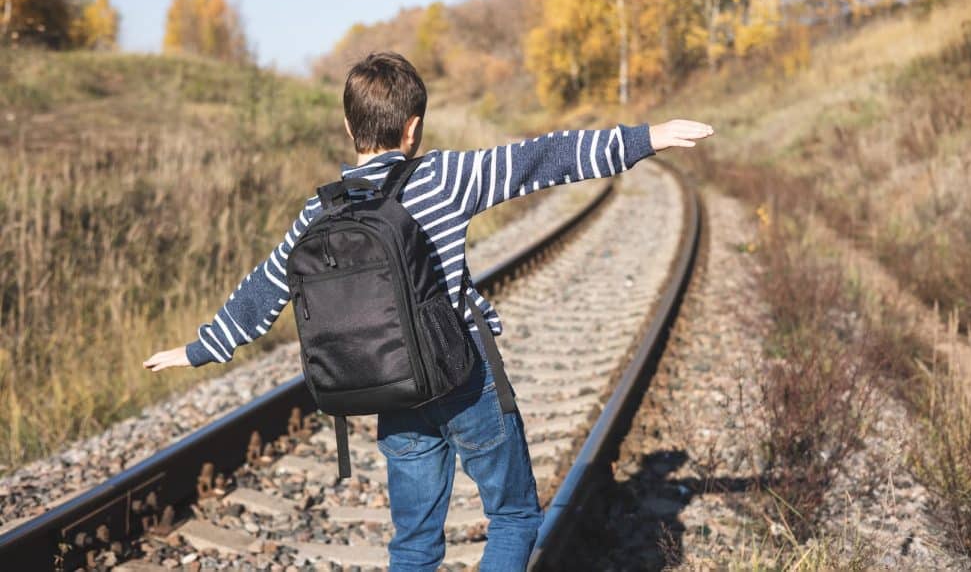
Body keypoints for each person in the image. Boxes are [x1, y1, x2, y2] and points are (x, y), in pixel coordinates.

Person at [144, 51, 713, 571]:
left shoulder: (319, 211)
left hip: (390, 390)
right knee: (514, 516)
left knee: (414, 544)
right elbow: (542, 158)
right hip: (466, 379)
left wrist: (198, 349)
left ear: (349, 128)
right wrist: (648, 137)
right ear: (412, 128)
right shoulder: (442, 178)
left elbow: (265, 289)